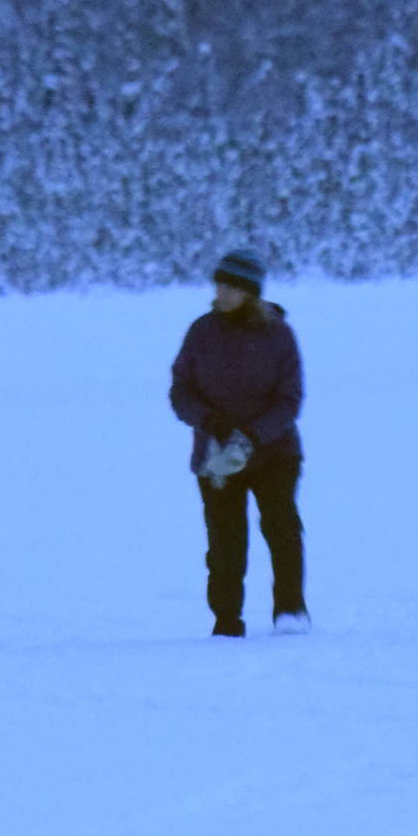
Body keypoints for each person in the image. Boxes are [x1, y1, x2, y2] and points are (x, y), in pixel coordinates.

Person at [168, 249, 308, 637]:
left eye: (232, 286)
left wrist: (252, 436)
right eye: (219, 284)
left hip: (274, 453)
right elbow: (180, 391)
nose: (223, 292)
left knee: (281, 528)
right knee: (225, 540)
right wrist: (210, 421)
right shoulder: (201, 332)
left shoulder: (279, 335)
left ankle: (290, 610)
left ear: (251, 292)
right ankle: (227, 620)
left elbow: (290, 399)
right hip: (216, 457)